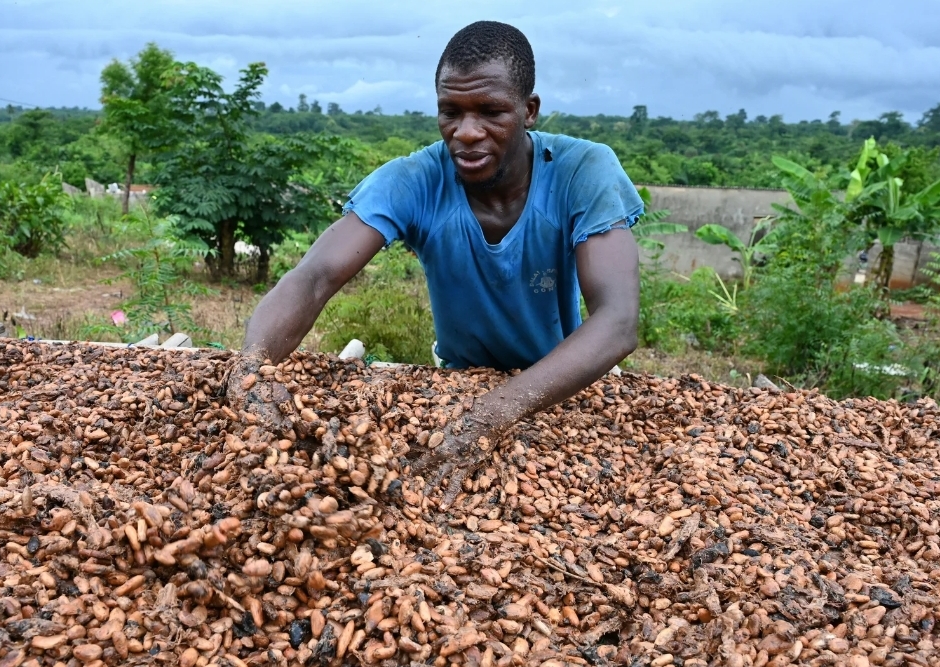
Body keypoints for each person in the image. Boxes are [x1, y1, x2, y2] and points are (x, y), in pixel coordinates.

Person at [228, 20, 643, 504]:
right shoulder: (415, 180)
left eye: (490, 112)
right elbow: (315, 276)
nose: (466, 133)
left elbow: (617, 322)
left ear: (529, 110)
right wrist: (252, 368)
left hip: (563, 388)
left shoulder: (582, 171)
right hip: (458, 386)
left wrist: (489, 417)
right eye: (451, 112)